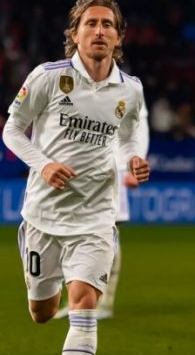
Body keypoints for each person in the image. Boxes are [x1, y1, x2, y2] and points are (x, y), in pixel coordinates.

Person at [2, 0, 150, 355]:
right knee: (42, 312)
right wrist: (44, 164)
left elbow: (126, 136)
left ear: (118, 36)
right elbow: (12, 130)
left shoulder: (130, 89)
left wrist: (132, 160)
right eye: (91, 23)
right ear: (75, 33)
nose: (99, 30)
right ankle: (47, 284)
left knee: (84, 301)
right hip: (43, 217)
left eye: (108, 24)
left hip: (95, 216)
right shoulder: (48, 77)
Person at [53, 100, 149, 320]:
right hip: (80, 168)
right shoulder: (78, 87)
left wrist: (135, 164)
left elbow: (139, 125)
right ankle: (78, 299)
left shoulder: (128, 87)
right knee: (74, 232)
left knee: (107, 232)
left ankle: (105, 301)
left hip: (113, 168)